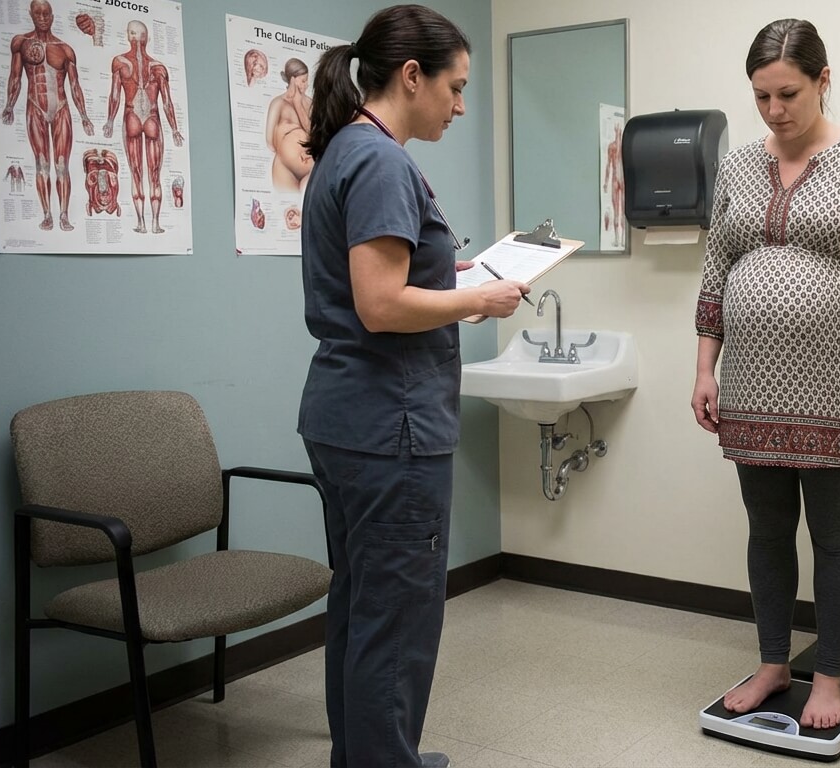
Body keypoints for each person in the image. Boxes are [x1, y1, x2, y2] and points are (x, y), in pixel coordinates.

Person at [297, 5, 529, 767]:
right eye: (455, 88)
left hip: (345, 418)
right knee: (396, 619)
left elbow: (388, 278)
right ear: (410, 76)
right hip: (389, 426)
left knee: (362, 607)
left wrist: (450, 272)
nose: (460, 106)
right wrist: (480, 299)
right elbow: (380, 303)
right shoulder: (384, 162)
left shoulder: (345, 151)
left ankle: (369, 756)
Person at [691, 18, 840, 730]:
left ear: (823, 81)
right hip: (752, 382)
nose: (774, 109)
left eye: (788, 92)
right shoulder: (736, 167)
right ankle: (771, 664)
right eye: (760, 96)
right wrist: (706, 367)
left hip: (838, 382)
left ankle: (829, 676)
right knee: (765, 531)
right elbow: (716, 268)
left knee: (836, 537)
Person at [0, 0, 94, 231]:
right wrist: (9, 105)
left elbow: (75, 86)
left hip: (61, 107)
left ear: (52, 16)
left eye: (46, 13)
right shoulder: (21, 43)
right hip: (35, 106)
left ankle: (63, 215)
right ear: (31, 14)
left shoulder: (65, 49)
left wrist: (84, 115)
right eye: (38, 13)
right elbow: (15, 78)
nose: (42, 17)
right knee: (42, 164)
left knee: (62, 165)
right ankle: (47, 214)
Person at [103, 19, 183, 234]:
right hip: (151, 118)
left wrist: (110, 120)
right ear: (146, 38)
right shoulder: (157, 68)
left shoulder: (120, 63)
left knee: (137, 172)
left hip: (132, 116)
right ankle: (154, 224)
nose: (135, 39)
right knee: (153, 173)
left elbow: (114, 95)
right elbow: (166, 101)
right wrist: (174, 129)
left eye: (134, 34)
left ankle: (143, 223)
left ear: (131, 37)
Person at [266, 57, 314, 191]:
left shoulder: (310, 103)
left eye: (307, 80)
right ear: (292, 79)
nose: (306, 84)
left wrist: (298, 104)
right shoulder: (278, 103)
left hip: (310, 169)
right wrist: (289, 152)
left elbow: (315, 135)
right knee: (285, 206)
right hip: (284, 169)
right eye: (303, 80)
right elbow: (270, 142)